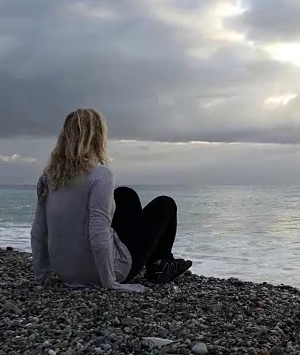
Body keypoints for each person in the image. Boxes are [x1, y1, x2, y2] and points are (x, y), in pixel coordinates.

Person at [30, 108, 192, 292]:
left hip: (64, 271)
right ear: (98, 136)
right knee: (165, 204)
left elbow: (38, 231)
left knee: (125, 195)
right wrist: (111, 283)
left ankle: (158, 262)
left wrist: (42, 276)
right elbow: (98, 233)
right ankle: (160, 263)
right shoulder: (100, 175)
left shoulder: (49, 177)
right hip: (100, 272)